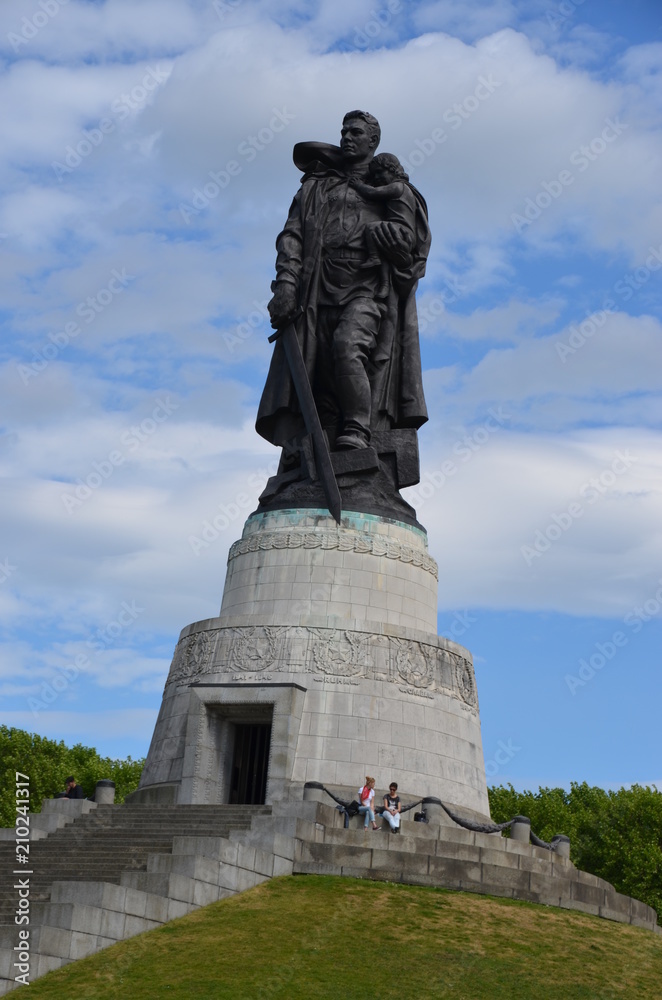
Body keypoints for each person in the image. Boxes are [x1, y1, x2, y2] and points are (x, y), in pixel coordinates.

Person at [257, 110, 430, 461]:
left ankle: (357, 430)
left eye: (356, 132)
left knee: (348, 346)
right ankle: (322, 447)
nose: (347, 137)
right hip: (317, 289)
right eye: (344, 131)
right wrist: (286, 284)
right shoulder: (317, 186)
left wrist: (399, 252)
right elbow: (292, 237)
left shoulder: (391, 188)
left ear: (373, 141)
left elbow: (411, 252)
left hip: (367, 286)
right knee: (316, 369)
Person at [350, 153, 417, 299]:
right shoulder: (405, 188)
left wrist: (358, 185)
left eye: (380, 172)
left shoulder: (397, 187)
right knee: (385, 252)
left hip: (400, 230)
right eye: (374, 174)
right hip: (398, 230)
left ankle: (373, 257)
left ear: (392, 169)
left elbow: (373, 192)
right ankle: (385, 285)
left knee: (371, 228)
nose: (377, 178)